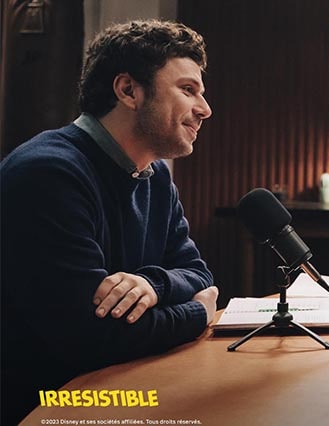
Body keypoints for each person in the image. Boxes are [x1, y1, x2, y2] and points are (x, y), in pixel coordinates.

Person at [0, 20, 218, 424]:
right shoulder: (48, 174)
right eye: (188, 90)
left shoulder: (155, 177)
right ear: (128, 90)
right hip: (45, 407)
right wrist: (197, 314)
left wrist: (154, 285)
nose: (205, 109)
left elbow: (198, 274)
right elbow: (92, 339)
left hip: (117, 390)